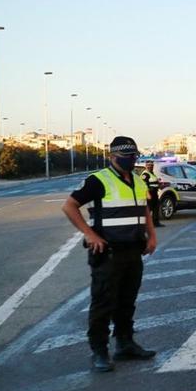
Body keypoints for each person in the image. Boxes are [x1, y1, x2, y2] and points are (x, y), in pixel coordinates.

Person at [61, 136, 158, 373]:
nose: (131, 161)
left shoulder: (137, 179)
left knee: (127, 302)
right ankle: (99, 351)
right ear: (112, 157)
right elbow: (69, 206)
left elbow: (144, 209)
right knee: (103, 303)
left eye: (134, 157)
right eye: (126, 158)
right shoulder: (98, 180)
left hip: (134, 250)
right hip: (109, 253)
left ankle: (125, 344)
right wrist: (90, 234)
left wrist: (152, 235)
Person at [139, 160, 163, 227]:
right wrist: (148, 193)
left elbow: (154, 182)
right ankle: (145, 224)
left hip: (155, 193)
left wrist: (159, 185)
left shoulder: (152, 173)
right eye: (149, 165)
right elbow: (143, 185)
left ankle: (155, 223)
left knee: (156, 208)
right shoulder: (145, 174)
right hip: (150, 193)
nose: (150, 167)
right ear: (146, 166)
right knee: (149, 209)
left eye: (151, 165)